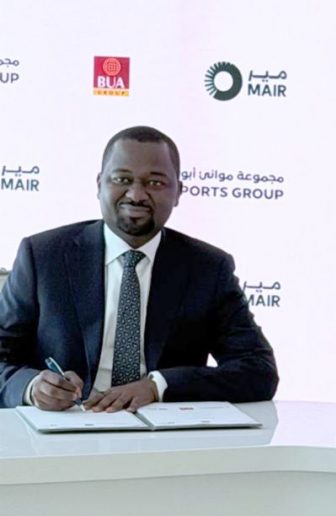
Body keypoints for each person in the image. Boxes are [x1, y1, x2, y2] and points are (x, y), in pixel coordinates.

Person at [0, 126, 279, 412]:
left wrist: (158, 385)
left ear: (179, 192)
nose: (136, 194)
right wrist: (32, 387)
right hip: (63, 432)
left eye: (155, 183)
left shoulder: (207, 268)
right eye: (122, 179)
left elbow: (259, 371)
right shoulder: (44, 257)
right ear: (99, 184)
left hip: (163, 439)